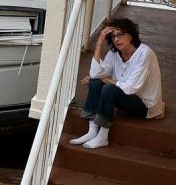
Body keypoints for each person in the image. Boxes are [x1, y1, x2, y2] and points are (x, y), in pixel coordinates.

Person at [70, 17, 164, 149]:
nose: (116, 39)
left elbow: (130, 88)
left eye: (120, 35)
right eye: (113, 37)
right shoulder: (114, 54)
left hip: (144, 105)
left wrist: (102, 79)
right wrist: (98, 43)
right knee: (95, 83)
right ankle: (92, 130)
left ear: (131, 35)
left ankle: (103, 136)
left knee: (108, 89)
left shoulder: (144, 54)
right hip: (125, 99)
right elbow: (96, 74)